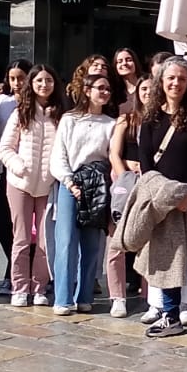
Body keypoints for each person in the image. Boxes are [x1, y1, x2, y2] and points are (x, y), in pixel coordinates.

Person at [138, 57, 187, 339]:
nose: (176, 83)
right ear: (161, 81)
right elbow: (146, 159)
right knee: (168, 256)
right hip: (163, 199)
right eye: (171, 78)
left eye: (182, 79)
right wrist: (158, 193)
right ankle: (170, 315)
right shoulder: (151, 117)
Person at [51, 67, 118, 314]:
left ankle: (85, 295)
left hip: (97, 185)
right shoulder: (70, 119)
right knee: (66, 240)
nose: (105, 92)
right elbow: (58, 155)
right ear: (87, 91)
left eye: (108, 89)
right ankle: (63, 298)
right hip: (71, 182)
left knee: (92, 244)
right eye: (100, 88)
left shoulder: (111, 124)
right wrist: (69, 182)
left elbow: (112, 156)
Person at [0, 65, 62, 307]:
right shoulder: (21, 113)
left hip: (48, 185)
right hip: (20, 183)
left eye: (48, 80)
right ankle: (19, 288)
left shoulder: (61, 115)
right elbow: (5, 148)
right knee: (22, 238)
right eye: (39, 81)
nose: (44, 85)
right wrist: (19, 166)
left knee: (45, 241)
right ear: (32, 84)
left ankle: (39, 288)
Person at [108, 74, 156, 318]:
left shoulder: (160, 120)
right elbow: (114, 153)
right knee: (116, 241)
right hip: (124, 183)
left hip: (149, 184)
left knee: (148, 242)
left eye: (151, 88)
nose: (147, 92)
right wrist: (124, 178)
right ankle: (117, 297)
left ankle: (150, 296)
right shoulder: (126, 119)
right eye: (143, 88)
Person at [0, 60, 33, 294]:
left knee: (27, 228)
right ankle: (17, 265)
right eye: (12, 78)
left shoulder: (38, 104)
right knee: (2, 225)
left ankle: (14, 274)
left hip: (32, 173)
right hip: (7, 170)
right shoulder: (2, 103)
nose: (17, 83)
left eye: (21, 78)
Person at [114, 47, 143, 114]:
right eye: (120, 61)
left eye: (128, 60)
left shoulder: (147, 85)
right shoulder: (115, 93)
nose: (124, 63)